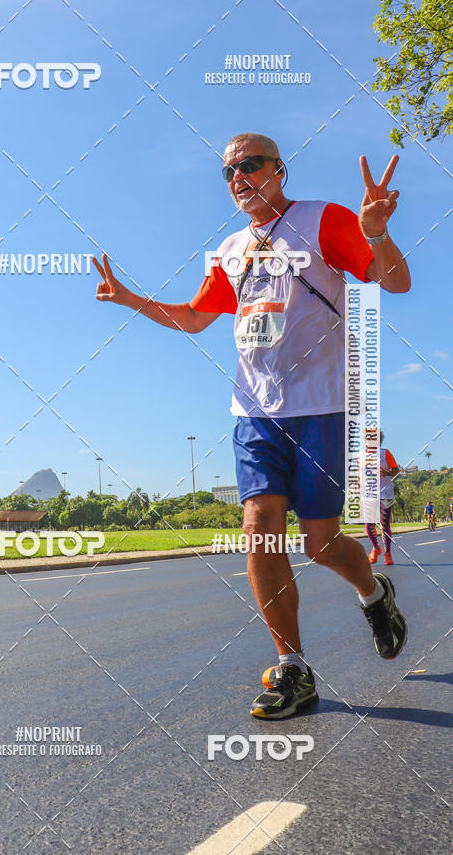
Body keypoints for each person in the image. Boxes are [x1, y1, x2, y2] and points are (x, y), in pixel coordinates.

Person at [93, 132, 410, 720]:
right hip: (254, 411)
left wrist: (376, 232)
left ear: (279, 169)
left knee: (319, 543)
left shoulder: (322, 220)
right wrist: (129, 298)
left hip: (322, 406)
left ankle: (373, 593)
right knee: (260, 526)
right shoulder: (231, 249)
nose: (238, 176)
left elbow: (394, 282)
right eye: (228, 171)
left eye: (249, 165)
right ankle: (294, 668)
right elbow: (193, 318)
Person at [365, 431, 398, 565]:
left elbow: (396, 470)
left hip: (386, 494)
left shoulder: (385, 453)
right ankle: (376, 548)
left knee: (385, 524)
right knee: (369, 524)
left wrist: (388, 472)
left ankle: (388, 554)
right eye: (367, 437)